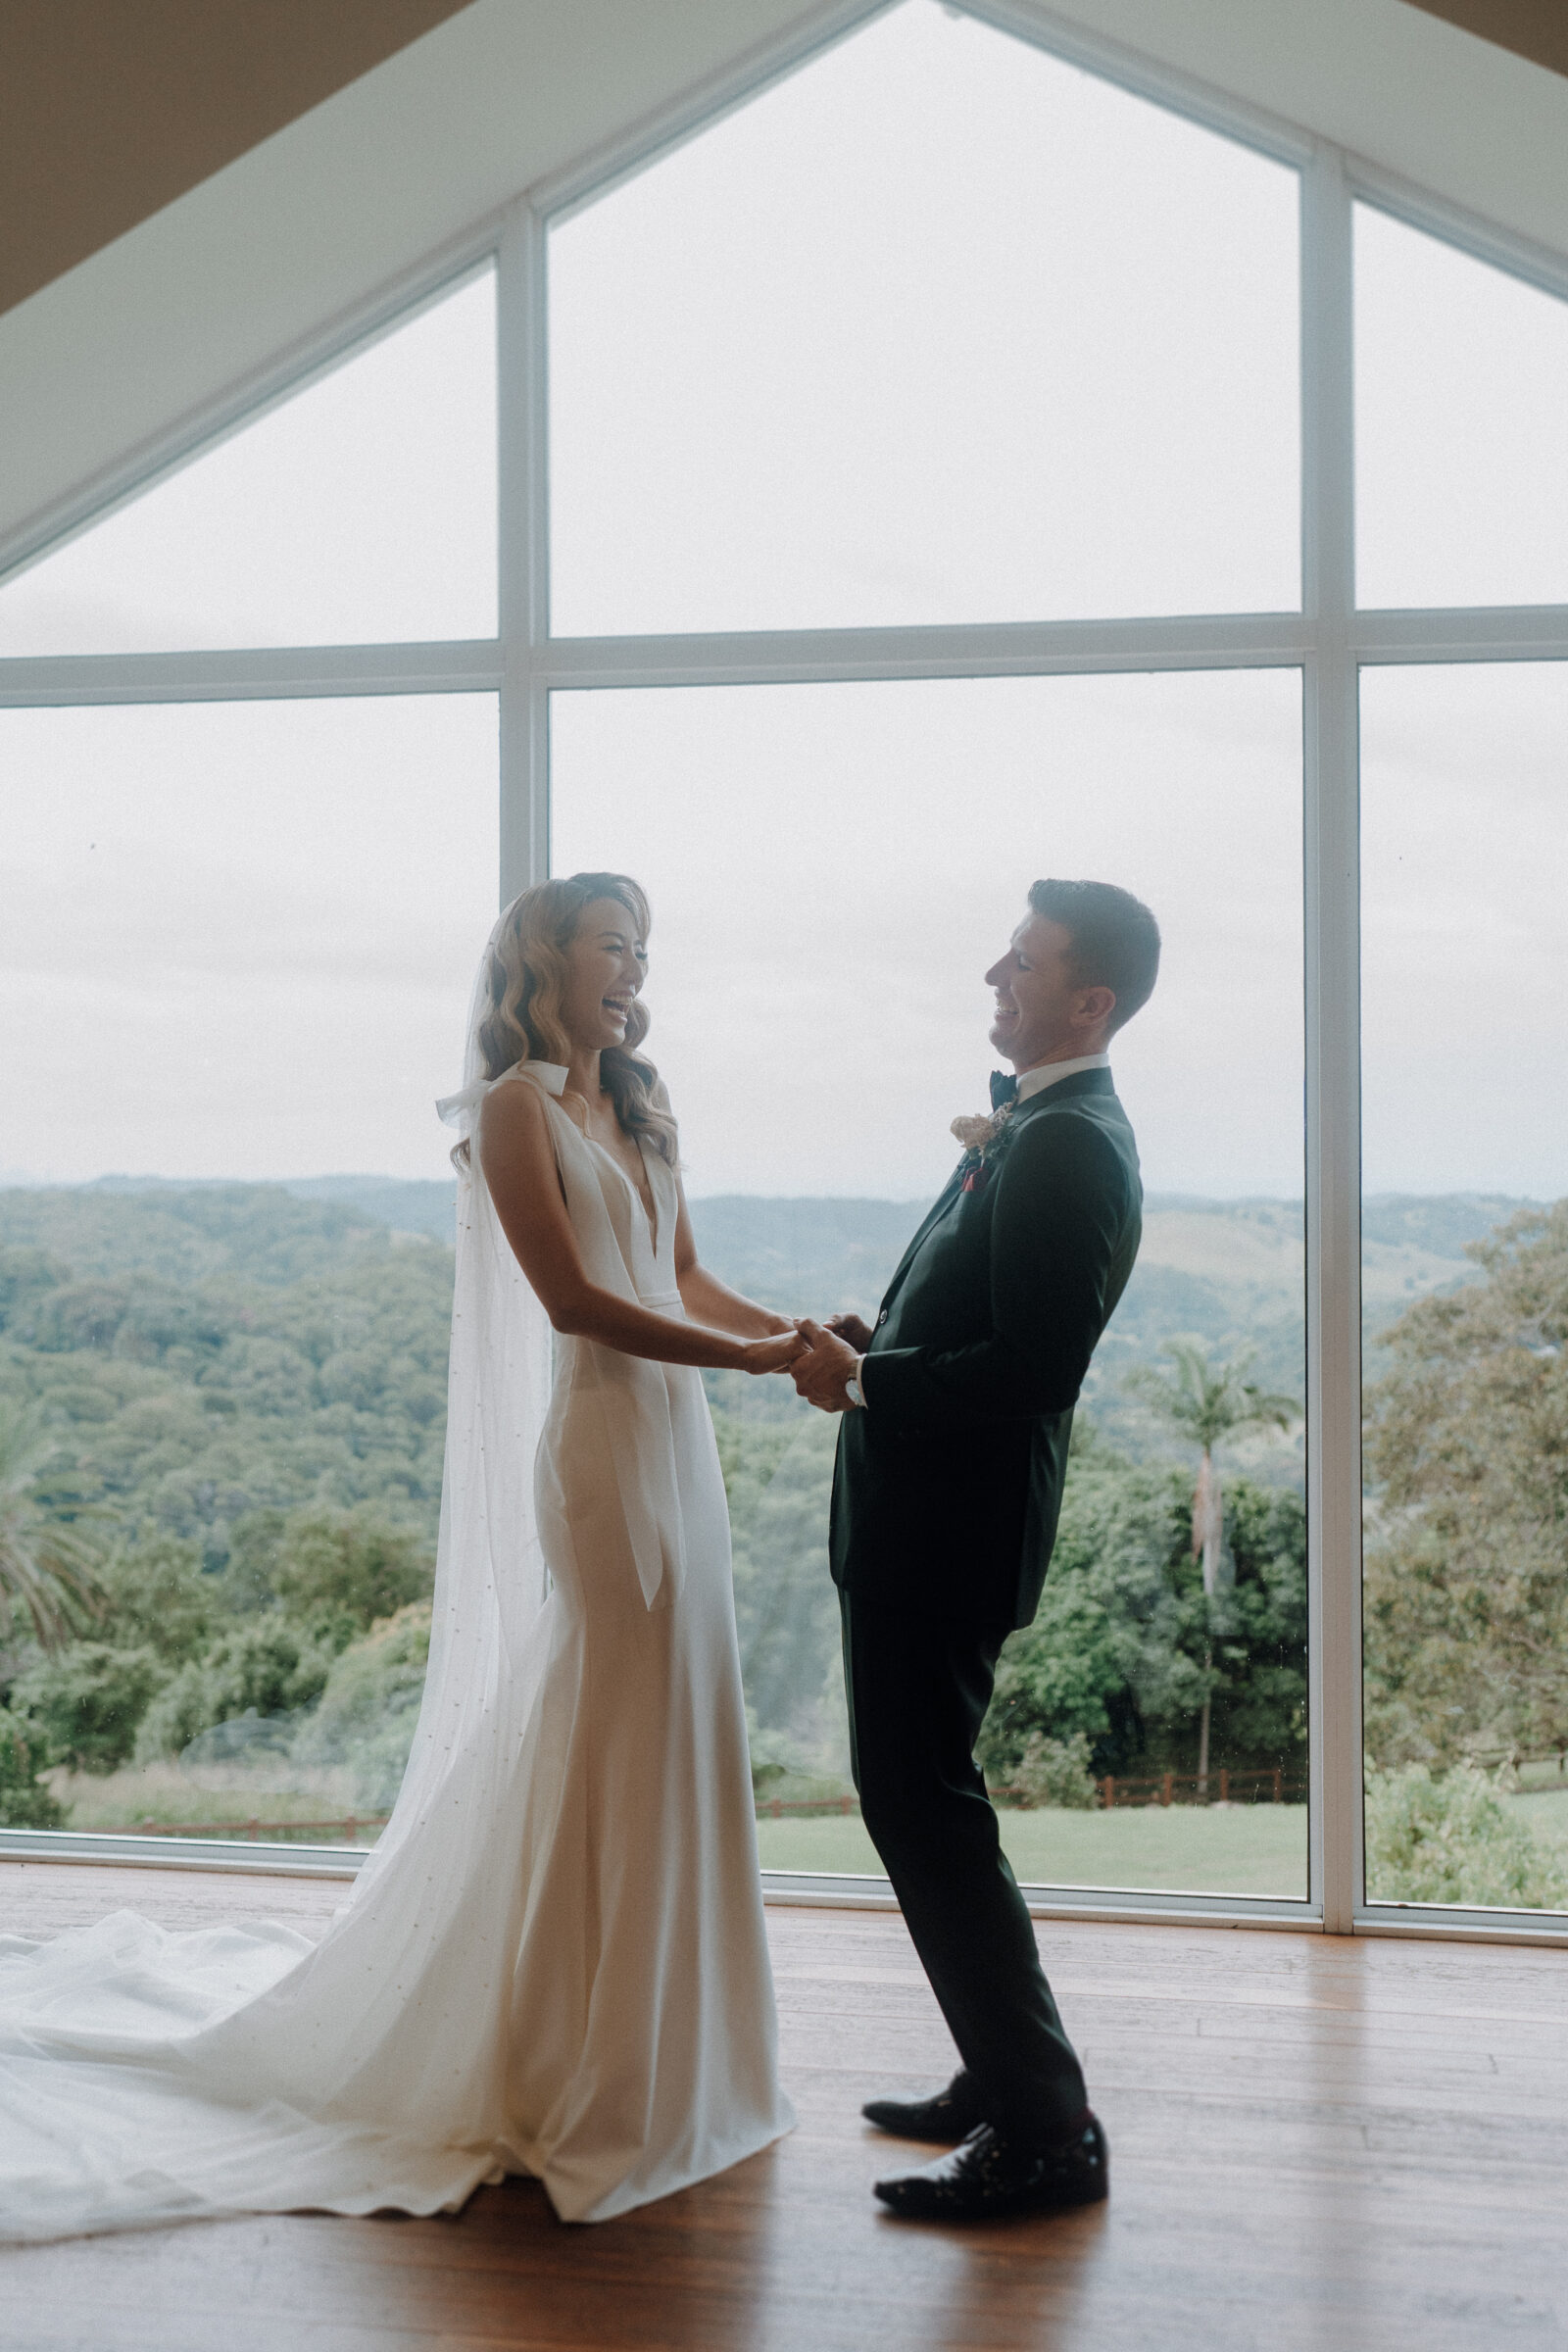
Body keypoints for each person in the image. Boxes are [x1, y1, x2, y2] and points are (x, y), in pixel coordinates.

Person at [0, 871, 800, 2237]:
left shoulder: (643, 1102)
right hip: (606, 1452)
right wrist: (766, 1358)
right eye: (613, 943)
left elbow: (686, 1277)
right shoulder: (513, 1111)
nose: (633, 967)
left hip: (685, 1451)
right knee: (613, 1722)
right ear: (544, 958)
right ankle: (574, 2063)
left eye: (642, 948)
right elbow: (580, 1302)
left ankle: (678, 2060)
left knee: (675, 1725)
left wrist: (794, 1338)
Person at [789, 877, 1159, 2222]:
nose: (993, 978)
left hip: (944, 1534)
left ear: (1089, 999)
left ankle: (1047, 2132)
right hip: (920, 1523)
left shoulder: (1068, 1141)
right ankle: (1003, 2076)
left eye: (1023, 961)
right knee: (929, 1808)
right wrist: (873, 1345)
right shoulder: (1036, 1121)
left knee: (923, 1810)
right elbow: (972, 1313)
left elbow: (1028, 1372)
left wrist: (869, 1384)